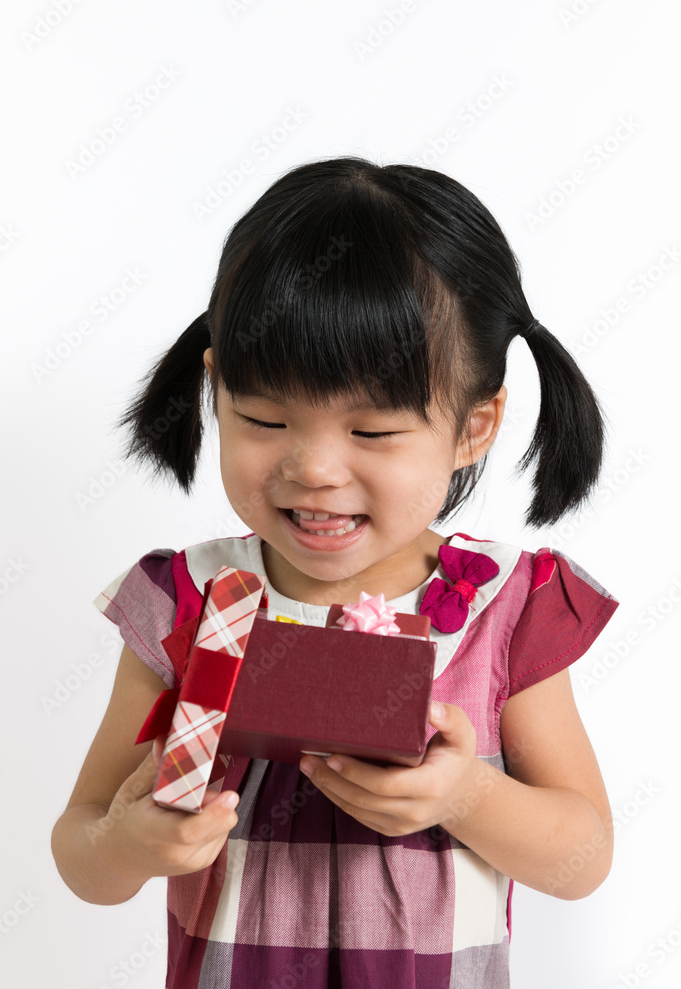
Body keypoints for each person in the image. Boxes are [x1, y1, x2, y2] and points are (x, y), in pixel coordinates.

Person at [50, 156, 619, 988]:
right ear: (215, 393)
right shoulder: (188, 603)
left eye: (374, 432)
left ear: (474, 426)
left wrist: (465, 798)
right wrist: (129, 841)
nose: (314, 468)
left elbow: (583, 859)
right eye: (265, 418)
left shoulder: (503, 608)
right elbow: (81, 850)